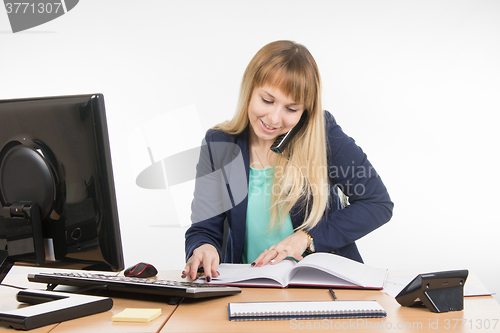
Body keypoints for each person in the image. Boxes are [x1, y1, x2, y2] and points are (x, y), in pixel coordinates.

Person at [182, 40, 393, 281]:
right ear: (249, 90)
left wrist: (307, 238)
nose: (273, 118)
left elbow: (377, 203)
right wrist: (204, 247)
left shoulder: (323, 134)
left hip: (323, 284)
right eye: (267, 100)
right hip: (249, 288)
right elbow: (203, 228)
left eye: (291, 109)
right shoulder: (219, 143)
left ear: (305, 112)